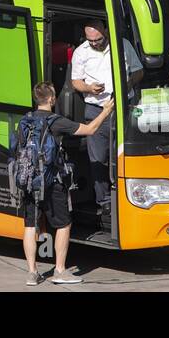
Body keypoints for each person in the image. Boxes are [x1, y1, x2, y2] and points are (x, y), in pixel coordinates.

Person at [19, 82, 115, 287]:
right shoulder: (56, 122)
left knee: (30, 226)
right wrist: (106, 111)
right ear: (52, 99)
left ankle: (32, 273)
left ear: (37, 99)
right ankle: (60, 270)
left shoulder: (25, 121)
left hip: (28, 180)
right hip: (52, 182)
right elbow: (90, 130)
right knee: (64, 224)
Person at [69, 19, 117, 226]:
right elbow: (75, 81)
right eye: (91, 41)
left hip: (120, 107)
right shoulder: (81, 52)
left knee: (121, 156)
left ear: (105, 31)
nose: (95, 43)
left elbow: (138, 71)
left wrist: (125, 85)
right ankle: (104, 202)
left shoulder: (120, 44)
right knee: (99, 159)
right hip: (96, 109)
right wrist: (89, 89)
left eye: (98, 39)